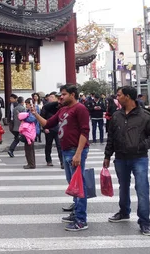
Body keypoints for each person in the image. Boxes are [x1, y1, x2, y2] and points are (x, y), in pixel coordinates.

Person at [103, 86, 150, 236]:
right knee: (123, 186)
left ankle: (144, 223)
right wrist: (107, 156)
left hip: (139, 158)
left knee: (142, 189)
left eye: (119, 95)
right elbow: (111, 137)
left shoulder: (144, 116)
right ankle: (124, 212)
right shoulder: (116, 116)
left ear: (128, 97)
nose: (117, 98)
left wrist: (141, 146)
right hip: (121, 158)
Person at [33, 84, 90, 232]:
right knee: (72, 184)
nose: (61, 97)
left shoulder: (80, 109)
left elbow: (85, 132)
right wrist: (35, 114)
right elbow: (48, 123)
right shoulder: (63, 110)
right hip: (66, 151)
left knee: (78, 185)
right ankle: (76, 212)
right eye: (60, 94)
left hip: (75, 151)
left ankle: (81, 220)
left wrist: (78, 153)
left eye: (64, 94)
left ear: (72, 94)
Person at [41, 92, 64, 169]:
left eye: (52, 97)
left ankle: (62, 161)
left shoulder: (59, 106)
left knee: (59, 146)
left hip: (58, 129)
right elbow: (42, 117)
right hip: (49, 128)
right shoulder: (46, 107)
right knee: (48, 145)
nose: (50, 98)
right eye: (50, 97)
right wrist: (45, 128)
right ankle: (48, 160)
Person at [20, 98, 37, 169]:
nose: (26, 105)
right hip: (28, 131)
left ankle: (31, 163)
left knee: (29, 149)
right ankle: (31, 162)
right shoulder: (28, 111)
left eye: (27, 104)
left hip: (30, 132)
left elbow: (32, 119)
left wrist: (23, 118)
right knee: (29, 148)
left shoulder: (34, 110)